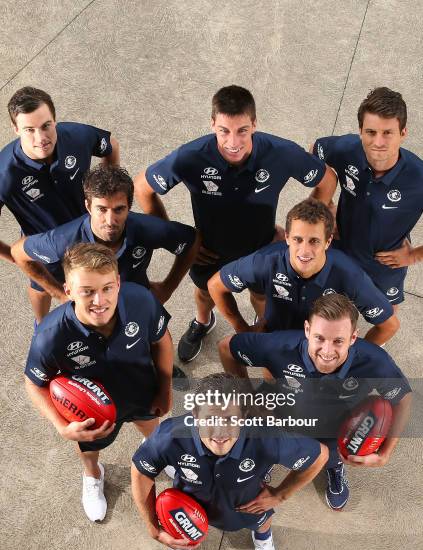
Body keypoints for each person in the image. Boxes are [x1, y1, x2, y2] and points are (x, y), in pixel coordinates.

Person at [134, 84, 337, 362]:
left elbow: (327, 180)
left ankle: (262, 326)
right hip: (210, 251)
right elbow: (142, 187)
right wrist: (175, 239)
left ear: (254, 124)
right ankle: (204, 322)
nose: (233, 142)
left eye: (242, 130)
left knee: (262, 297)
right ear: (212, 124)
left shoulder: (280, 152)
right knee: (204, 294)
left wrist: (297, 233)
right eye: (224, 131)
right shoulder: (191, 157)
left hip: (260, 247)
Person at [219, 294, 411, 511]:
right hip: (282, 417)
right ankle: (269, 459)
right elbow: (227, 348)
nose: (327, 352)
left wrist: (385, 453)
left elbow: (403, 398)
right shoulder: (279, 346)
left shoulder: (374, 362)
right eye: (319, 338)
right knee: (267, 447)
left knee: (332, 457)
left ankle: (334, 468)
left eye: (338, 341)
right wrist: (247, 401)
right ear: (307, 330)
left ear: (354, 337)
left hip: (338, 429)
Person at [25, 243, 173, 522]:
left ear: (118, 283)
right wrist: (62, 426)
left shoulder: (140, 300)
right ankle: (93, 475)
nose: (99, 300)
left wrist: (164, 389)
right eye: (87, 291)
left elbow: (161, 340)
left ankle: (159, 455)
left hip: (141, 389)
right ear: (68, 290)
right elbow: (33, 383)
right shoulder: (50, 336)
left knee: (152, 430)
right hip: (93, 410)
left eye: (107, 288)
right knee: (90, 449)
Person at [131, 373, 328, 550]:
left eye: (229, 419)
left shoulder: (267, 437)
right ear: (196, 414)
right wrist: (153, 526)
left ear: (243, 415)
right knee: (181, 530)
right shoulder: (169, 436)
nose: (219, 432)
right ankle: (182, 539)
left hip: (247, 505)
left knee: (261, 523)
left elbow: (319, 455)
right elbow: (141, 470)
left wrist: (280, 495)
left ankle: (263, 540)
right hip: (189, 509)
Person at [11, 165, 198, 316]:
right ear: (88, 206)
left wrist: (167, 288)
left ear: (129, 206)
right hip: (91, 313)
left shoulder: (147, 229)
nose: (110, 221)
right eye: (101, 209)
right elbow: (19, 253)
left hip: (135, 305)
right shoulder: (62, 240)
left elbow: (191, 241)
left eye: (118, 209)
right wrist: (57, 293)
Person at [208, 198, 399, 346]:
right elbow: (215, 285)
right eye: (298, 239)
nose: (305, 251)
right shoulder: (264, 262)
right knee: (261, 372)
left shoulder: (349, 275)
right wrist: (241, 327)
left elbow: (389, 325)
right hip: (277, 337)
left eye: (314, 241)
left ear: (328, 241)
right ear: (287, 237)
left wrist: (352, 356)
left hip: (322, 346)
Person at [0, 86, 119, 321]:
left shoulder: (77, 136)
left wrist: (108, 190)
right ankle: (41, 324)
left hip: (92, 233)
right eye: (29, 130)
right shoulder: (5, 174)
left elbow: (110, 145)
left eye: (46, 126)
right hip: (46, 246)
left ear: (55, 119)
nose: (41, 138)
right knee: (40, 287)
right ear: (16, 129)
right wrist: (17, 258)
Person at [311, 87, 423, 310]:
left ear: (403, 133)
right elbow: (316, 150)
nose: (378, 142)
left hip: (383, 263)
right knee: (323, 302)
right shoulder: (346, 149)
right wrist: (326, 204)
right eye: (371, 132)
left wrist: (413, 256)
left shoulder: (418, 178)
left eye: (387, 133)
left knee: (385, 312)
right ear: (360, 131)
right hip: (340, 246)